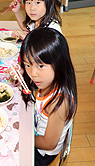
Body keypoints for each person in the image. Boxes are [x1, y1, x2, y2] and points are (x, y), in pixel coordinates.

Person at [20, 28, 77, 165]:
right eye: (28, 65)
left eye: (40, 66)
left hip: (42, 153)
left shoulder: (59, 103)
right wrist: (20, 73)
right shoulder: (47, 81)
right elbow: (30, 85)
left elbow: (49, 143)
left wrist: (23, 137)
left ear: (59, 63)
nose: (33, 73)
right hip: (36, 130)